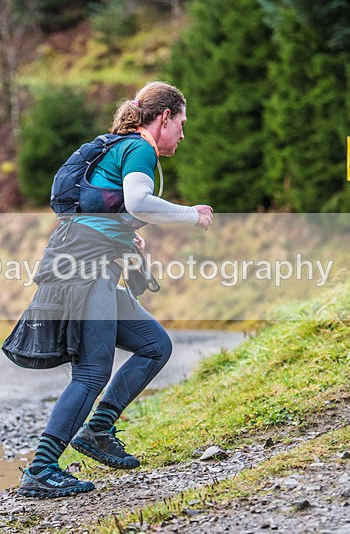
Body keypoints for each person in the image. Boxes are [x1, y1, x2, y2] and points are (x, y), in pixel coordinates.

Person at [16, 81, 213, 498]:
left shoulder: (120, 146)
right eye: (181, 123)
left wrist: (125, 236)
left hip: (91, 270)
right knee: (91, 373)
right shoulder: (139, 148)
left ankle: (98, 430)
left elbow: (100, 208)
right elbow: (138, 201)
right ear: (164, 118)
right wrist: (190, 215)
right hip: (84, 275)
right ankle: (41, 469)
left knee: (155, 346)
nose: (182, 133)